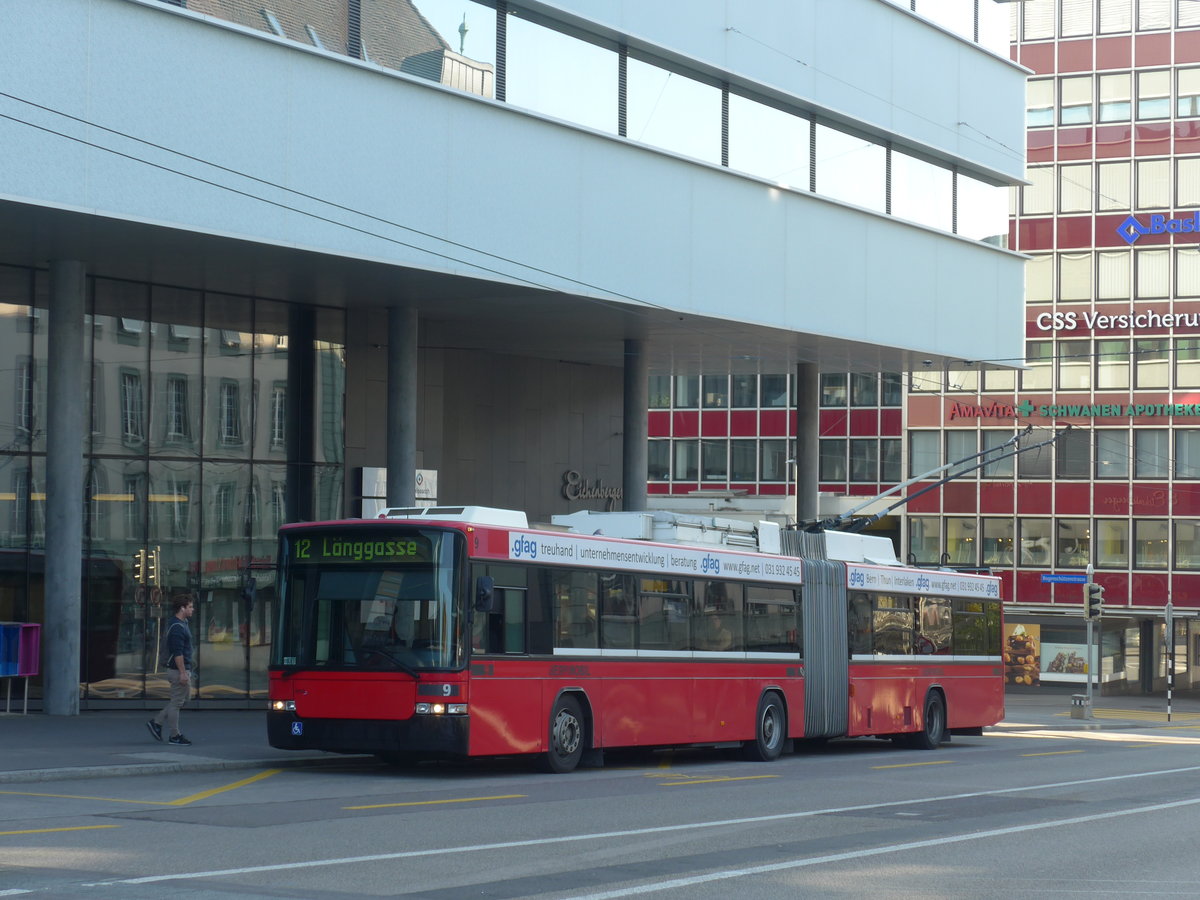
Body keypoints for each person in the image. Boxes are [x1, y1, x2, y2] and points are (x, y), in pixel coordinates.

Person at [147, 594, 196, 746]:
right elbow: (177, 653)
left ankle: (157, 722)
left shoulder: (183, 623)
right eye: (190, 607)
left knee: (183, 699)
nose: (192, 609)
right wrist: (182, 673)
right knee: (177, 703)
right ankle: (175, 735)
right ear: (182, 608)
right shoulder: (177, 628)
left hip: (182, 669)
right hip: (177, 670)